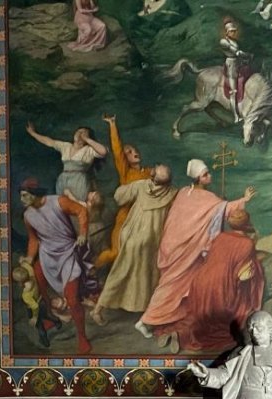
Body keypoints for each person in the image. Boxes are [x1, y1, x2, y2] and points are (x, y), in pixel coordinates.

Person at [136, 159, 256, 352]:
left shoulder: (184, 193)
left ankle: (168, 321)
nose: (210, 176)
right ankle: (146, 320)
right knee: (171, 286)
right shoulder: (207, 198)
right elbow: (225, 210)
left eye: (208, 173)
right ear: (198, 178)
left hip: (176, 246)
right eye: (205, 174)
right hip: (185, 250)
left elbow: (211, 212)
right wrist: (244, 200)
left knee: (180, 286)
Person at [91, 164, 177, 320]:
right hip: (150, 241)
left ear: (153, 177)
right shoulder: (172, 194)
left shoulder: (141, 185)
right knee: (147, 275)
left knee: (121, 272)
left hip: (130, 237)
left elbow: (119, 196)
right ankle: (146, 312)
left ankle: (98, 309)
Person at [20, 177, 95, 354]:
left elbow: (82, 210)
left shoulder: (58, 201)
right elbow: (34, 239)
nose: (22, 200)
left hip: (67, 253)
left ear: (35, 194)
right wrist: (30, 258)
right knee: (37, 285)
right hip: (47, 256)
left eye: (24, 195)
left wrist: (83, 233)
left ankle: (82, 337)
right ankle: (52, 318)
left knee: (73, 299)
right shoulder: (28, 216)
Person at [176, 208, 265, 352]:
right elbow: (243, 271)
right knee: (228, 321)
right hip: (221, 286)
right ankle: (187, 336)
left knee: (200, 318)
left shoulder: (221, 236)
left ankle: (180, 334)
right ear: (246, 223)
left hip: (201, 282)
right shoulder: (247, 243)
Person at [93, 114, 149, 271]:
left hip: (144, 219)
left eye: (135, 150)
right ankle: (92, 270)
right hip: (125, 218)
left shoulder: (150, 173)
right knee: (116, 252)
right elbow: (117, 151)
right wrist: (112, 125)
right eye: (129, 152)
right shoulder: (126, 173)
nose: (134, 152)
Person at [25, 123, 107, 202]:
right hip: (63, 181)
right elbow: (49, 142)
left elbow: (103, 151)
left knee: (77, 206)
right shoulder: (66, 146)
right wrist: (33, 133)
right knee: (62, 206)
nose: (80, 134)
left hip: (79, 182)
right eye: (78, 131)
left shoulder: (89, 150)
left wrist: (87, 139)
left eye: (83, 133)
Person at [220, 19, 251, 122]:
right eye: (232, 31)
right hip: (231, 65)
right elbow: (236, 52)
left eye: (235, 31)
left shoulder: (235, 41)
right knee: (233, 91)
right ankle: (236, 116)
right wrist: (246, 54)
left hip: (238, 63)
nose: (234, 33)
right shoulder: (224, 41)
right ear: (227, 32)